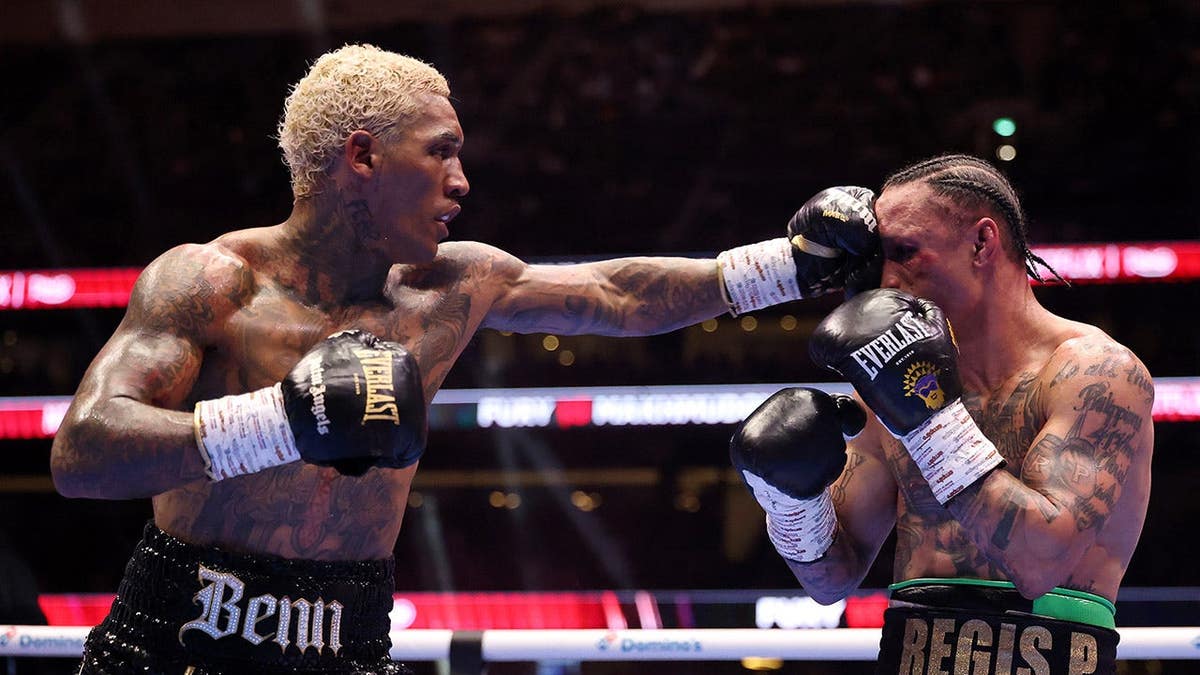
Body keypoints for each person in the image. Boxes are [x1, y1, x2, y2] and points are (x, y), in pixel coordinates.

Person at [49, 44, 879, 675]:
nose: (461, 181)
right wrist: (280, 421)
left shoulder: (451, 285)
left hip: (348, 639)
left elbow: (616, 293)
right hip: (178, 635)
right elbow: (82, 451)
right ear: (363, 158)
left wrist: (790, 266)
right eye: (439, 151)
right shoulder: (208, 282)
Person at [731, 154, 1153, 675]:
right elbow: (830, 581)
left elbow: (1039, 563)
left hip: (1049, 657)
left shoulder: (1096, 374)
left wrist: (928, 421)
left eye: (905, 253)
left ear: (982, 243)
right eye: (879, 259)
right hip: (910, 654)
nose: (886, 279)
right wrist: (791, 504)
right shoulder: (888, 383)